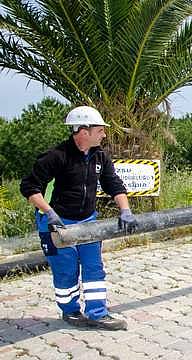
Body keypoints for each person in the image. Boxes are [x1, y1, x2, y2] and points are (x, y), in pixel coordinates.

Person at [20, 106, 138, 331]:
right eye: (100, 130)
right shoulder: (56, 156)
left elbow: (113, 184)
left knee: (94, 268)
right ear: (84, 131)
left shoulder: (100, 156)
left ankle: (98, 313)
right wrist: (49, 212)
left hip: (88, 221)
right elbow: (29, 187)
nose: (104, 134)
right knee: (66, 271)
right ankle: (70, 311)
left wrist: (125, 210)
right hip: (57, 224)